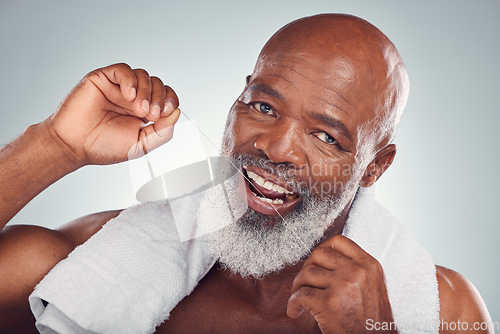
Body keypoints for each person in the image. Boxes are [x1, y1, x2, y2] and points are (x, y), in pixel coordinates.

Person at [0, 13, 492, 333]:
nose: (275, 148)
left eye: (326, 137)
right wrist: (55, 145)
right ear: (239, 98)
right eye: (263, 106)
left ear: (375, 167)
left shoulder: (447, 314)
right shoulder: (91, 262)